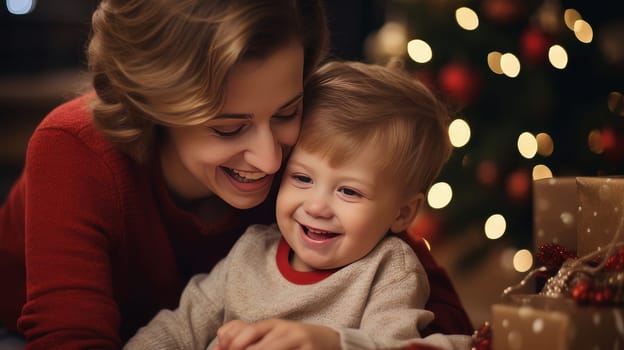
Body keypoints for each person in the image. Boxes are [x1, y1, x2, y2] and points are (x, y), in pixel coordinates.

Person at [0, 0, 471, 349]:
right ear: (155, 109)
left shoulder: (309, 158)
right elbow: (67, 337)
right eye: (229, 127)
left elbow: (446, 320)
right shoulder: (74, 149)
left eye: (287, 111)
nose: (270, 161)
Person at [124, 60, 473, 350]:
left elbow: (398, 347)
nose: (317, 206)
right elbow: (179, 327)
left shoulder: (389, 272)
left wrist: (333, 342)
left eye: (349, 192)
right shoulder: (250, 253)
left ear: (402, 213)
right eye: (302, 179)